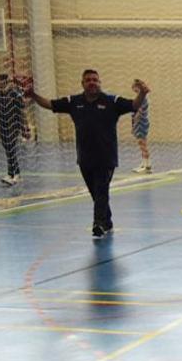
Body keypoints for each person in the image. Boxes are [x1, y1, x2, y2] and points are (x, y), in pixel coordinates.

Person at [25, 69, 148, 237]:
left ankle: (98, 225)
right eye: (88, 80)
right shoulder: (74, 102)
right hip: (85, 158)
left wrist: (142, 92)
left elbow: (134, 105)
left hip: (106, 157)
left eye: (95, 80)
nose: (92, 82)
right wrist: (33, 95)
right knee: (96, 193)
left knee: (101, 190)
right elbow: (50, 104)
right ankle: (108, 221)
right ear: (82, 83)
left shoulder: (112, 101)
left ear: (100, 83)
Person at [0, 74, 26, 186]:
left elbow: (21, 108)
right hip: (1, 125)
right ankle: (11, 174)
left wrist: (24, 127)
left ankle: (16, 174)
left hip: (13, 124)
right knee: (7, 150)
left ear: (3, 81)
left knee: (11, 149)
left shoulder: (13, 92)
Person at [131, 80, 151, 173]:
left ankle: (147, 166)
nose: (133, 89)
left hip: (140, 123)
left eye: (134, 87)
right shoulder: (142, 98)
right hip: (142, 123)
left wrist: (134, 123)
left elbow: (139, 112)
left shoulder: (142, 99)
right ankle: (144, 164)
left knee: (142, 144)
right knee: (142, 144)